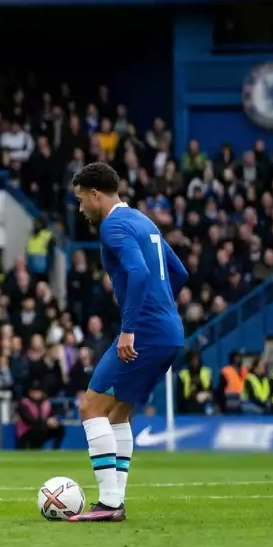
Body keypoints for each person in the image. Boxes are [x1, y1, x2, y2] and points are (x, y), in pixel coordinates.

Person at [68, 162, 187, 523]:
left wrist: (132, 327)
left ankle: (107, 503)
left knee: (91, 407)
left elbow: (138, 272)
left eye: (80, 200)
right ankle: (114, 503)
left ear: (95, 195)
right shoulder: (143, 222)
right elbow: (179, 272)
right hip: (169, 330)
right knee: (118, 413)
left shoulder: (113, 226)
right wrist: (162, 306)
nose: (80, 208)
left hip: (146, 331)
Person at [15, 382, 65, 450]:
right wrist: (46, 422)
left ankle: (55, 449)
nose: (36, 394)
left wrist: (53, 420)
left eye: (38, 392)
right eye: (34, 392)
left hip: (42, 428)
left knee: (60, 428)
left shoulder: (46, 403)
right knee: (39, 429)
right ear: (30, 392)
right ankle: (34, 448)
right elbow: (29, 420)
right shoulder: (24, 404)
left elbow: (51, 415)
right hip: (27, 431)